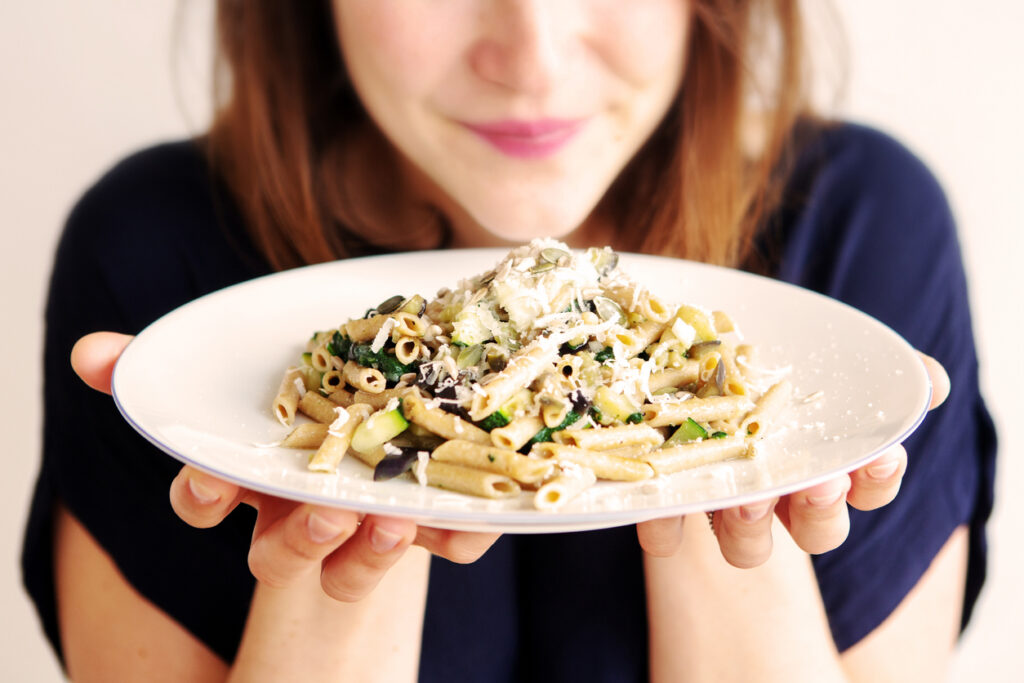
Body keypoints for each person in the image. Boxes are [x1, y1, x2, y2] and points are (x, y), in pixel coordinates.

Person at [22, 1, 995, 681]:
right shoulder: (164, 267)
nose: (531, 56)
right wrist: (360, 477)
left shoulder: (857, 231)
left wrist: (706, 429)